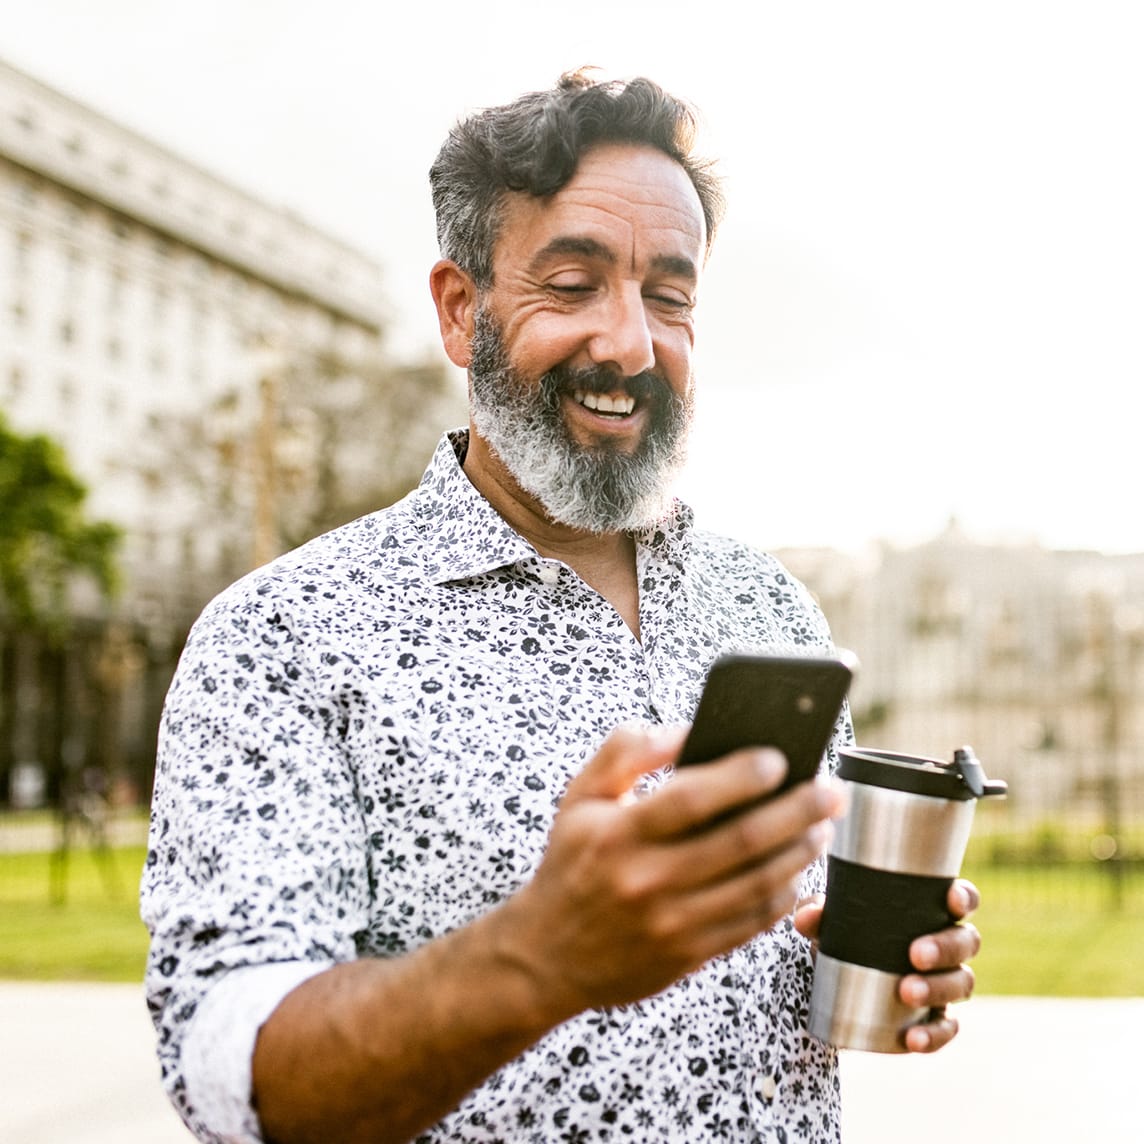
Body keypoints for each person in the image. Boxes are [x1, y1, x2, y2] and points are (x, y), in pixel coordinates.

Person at [141, 70, 981, 1144]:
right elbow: (234, 1079)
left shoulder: (769, 605)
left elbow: (769, 967)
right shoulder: (282, 637)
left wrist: (874, 958)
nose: (630, 344)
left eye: (668, 295)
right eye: (574, 283)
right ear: (461, 309)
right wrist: (539, 953)